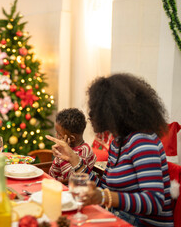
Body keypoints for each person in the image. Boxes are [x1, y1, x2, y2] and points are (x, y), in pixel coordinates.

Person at [46, 73, 173, 226]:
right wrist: (74, 159)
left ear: (114, 113)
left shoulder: (143, 141)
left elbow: (155, 202)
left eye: (96, 109)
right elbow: (106, 187)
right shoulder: (117, 142)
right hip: (119, 215)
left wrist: (104, 197)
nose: (91, 116)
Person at [49, 108, 96, 183]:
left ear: (72, 138)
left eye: (59, 134)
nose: (56, 135)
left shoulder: (84, 151)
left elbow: (71, 178)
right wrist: (58, 156)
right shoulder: (66, 147)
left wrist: (62, 157)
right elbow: (52, 174)